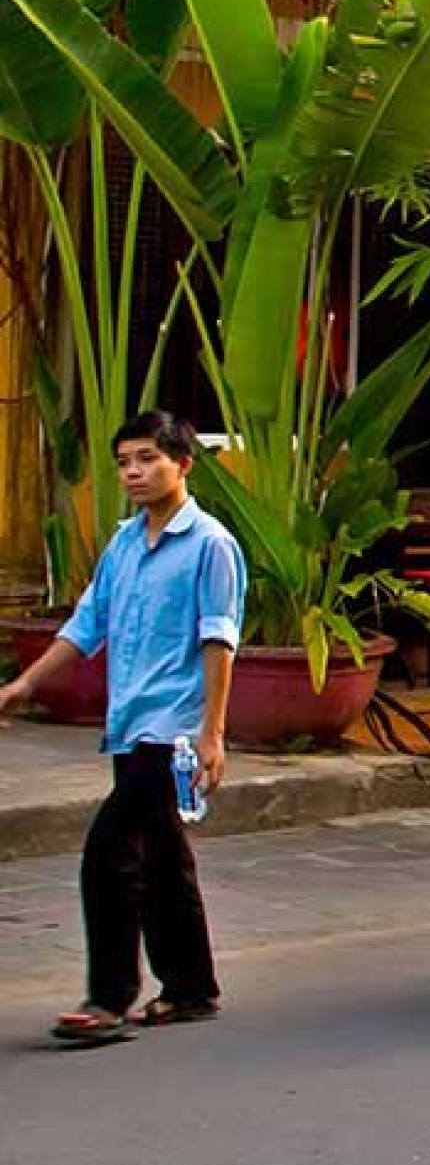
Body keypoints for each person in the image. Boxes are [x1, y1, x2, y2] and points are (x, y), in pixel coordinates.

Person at [0, 414, 244, 1049]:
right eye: (124, 462)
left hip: (175, 729)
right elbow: (87, 626)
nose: (134, 472)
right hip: (130, 722)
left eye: (146, 459)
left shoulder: (211, 544)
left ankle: (108, 998)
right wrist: (26, 683)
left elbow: (219, 641)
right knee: (162, 854)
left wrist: (213, 734)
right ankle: (191, 987)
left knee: (109, 847)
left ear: (183, 463)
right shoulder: (124, 545)